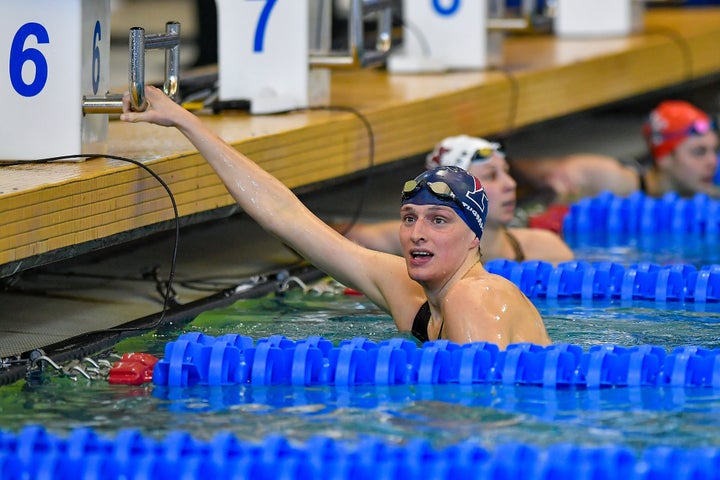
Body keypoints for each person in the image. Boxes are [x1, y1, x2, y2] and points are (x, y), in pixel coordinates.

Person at [120, 86, 550, 348]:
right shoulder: (409, 293)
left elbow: (485, 419)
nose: (417, 234)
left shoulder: (473, 298)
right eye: (409, 218)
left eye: (439, 220)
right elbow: (285, 215)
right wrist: (185, 122)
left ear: (474, 237)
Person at [337, 135, 574, 264]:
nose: (510, 184)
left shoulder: (545, 249)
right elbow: (349, 235)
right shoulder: (411, 241)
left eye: (506, 172)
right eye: (492, 175)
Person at [509, 100, 720, 203]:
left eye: (715, 150)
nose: (713, 162)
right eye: (699, 152)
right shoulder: (616, 179)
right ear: (664, 156)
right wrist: (555, 187)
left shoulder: (707, 193)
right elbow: (531, 169)